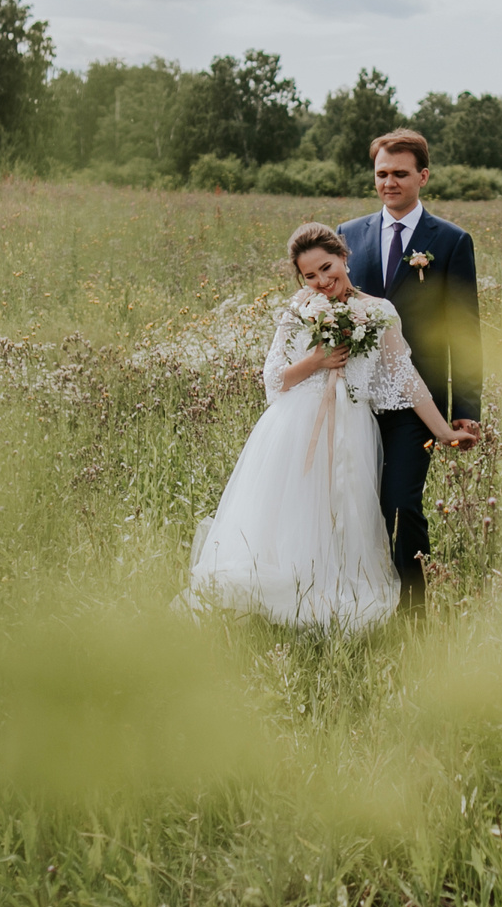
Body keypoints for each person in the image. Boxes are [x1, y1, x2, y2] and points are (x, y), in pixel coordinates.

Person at [183, 223, 478, 631]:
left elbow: (405, 377)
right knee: (296, 515)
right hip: (296, 427)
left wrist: (444, 431)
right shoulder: (298, 309)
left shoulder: (378, 311)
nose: (322, 281)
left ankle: (336, 596)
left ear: (344, 257)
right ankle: (287, 597)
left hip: (353, 427)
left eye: (327, 267)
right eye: (310, 275)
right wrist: (317, 361)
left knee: (347, 515)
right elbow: (273, 378)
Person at [339, 130, 482, 607]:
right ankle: (362, 605)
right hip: (353, 400)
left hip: (414, 403)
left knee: (401, 503)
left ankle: (412, 616)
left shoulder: (451, 241)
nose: (389, 182)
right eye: (381, 174)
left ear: (423, 176)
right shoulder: (348, 234)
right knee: (357, 507)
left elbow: (464, 331)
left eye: (400, 174)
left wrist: (465, 408)